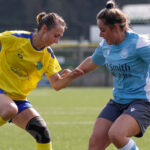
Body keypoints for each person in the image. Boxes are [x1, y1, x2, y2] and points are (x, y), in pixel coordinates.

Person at [63, 1, 150, 150]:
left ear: (116, 27)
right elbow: (92, 61)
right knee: (95, 143)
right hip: (118, 101)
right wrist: (72, 74)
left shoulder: (139, 44)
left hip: (142, 102)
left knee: (117, 134)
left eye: (103, 30)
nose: (100, 34)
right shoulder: (105, 45)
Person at [0, 12, 84, 150]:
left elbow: (56, 84)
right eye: (56, 35)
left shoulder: (47, 55)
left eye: (60, 37)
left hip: (18, 99)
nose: (57, 41)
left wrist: (71, 76)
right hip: (2, 93)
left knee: (42, 133)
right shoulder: (15, 38)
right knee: (10, 109)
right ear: (44, 29)